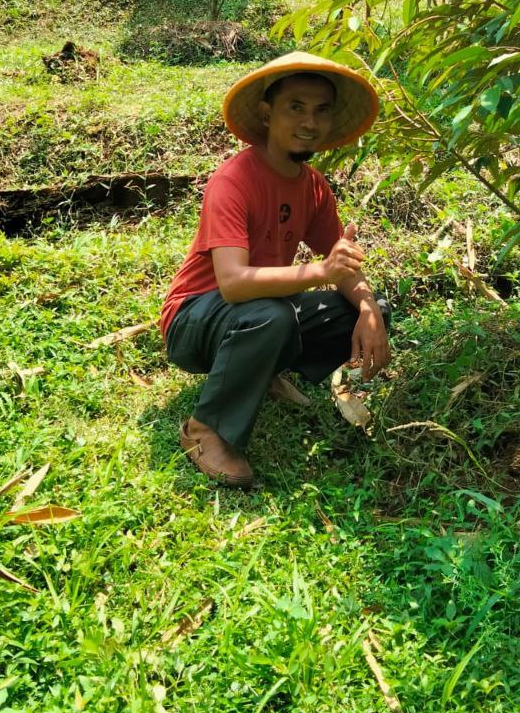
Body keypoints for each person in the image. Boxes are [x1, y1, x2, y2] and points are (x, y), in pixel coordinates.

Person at [160, 51, 391, 488]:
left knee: (361, 307)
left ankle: (258, 372)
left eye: (322, 110)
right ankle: (205, 429)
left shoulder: (314, 188)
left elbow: (341, 265)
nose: (310, 122)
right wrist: (321, 271)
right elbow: (232, 284)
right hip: (194, 320)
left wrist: (368, 310)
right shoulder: (234, 181)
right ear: (267, 114)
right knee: (271, 315)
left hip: (260, 310)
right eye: (296, 108)